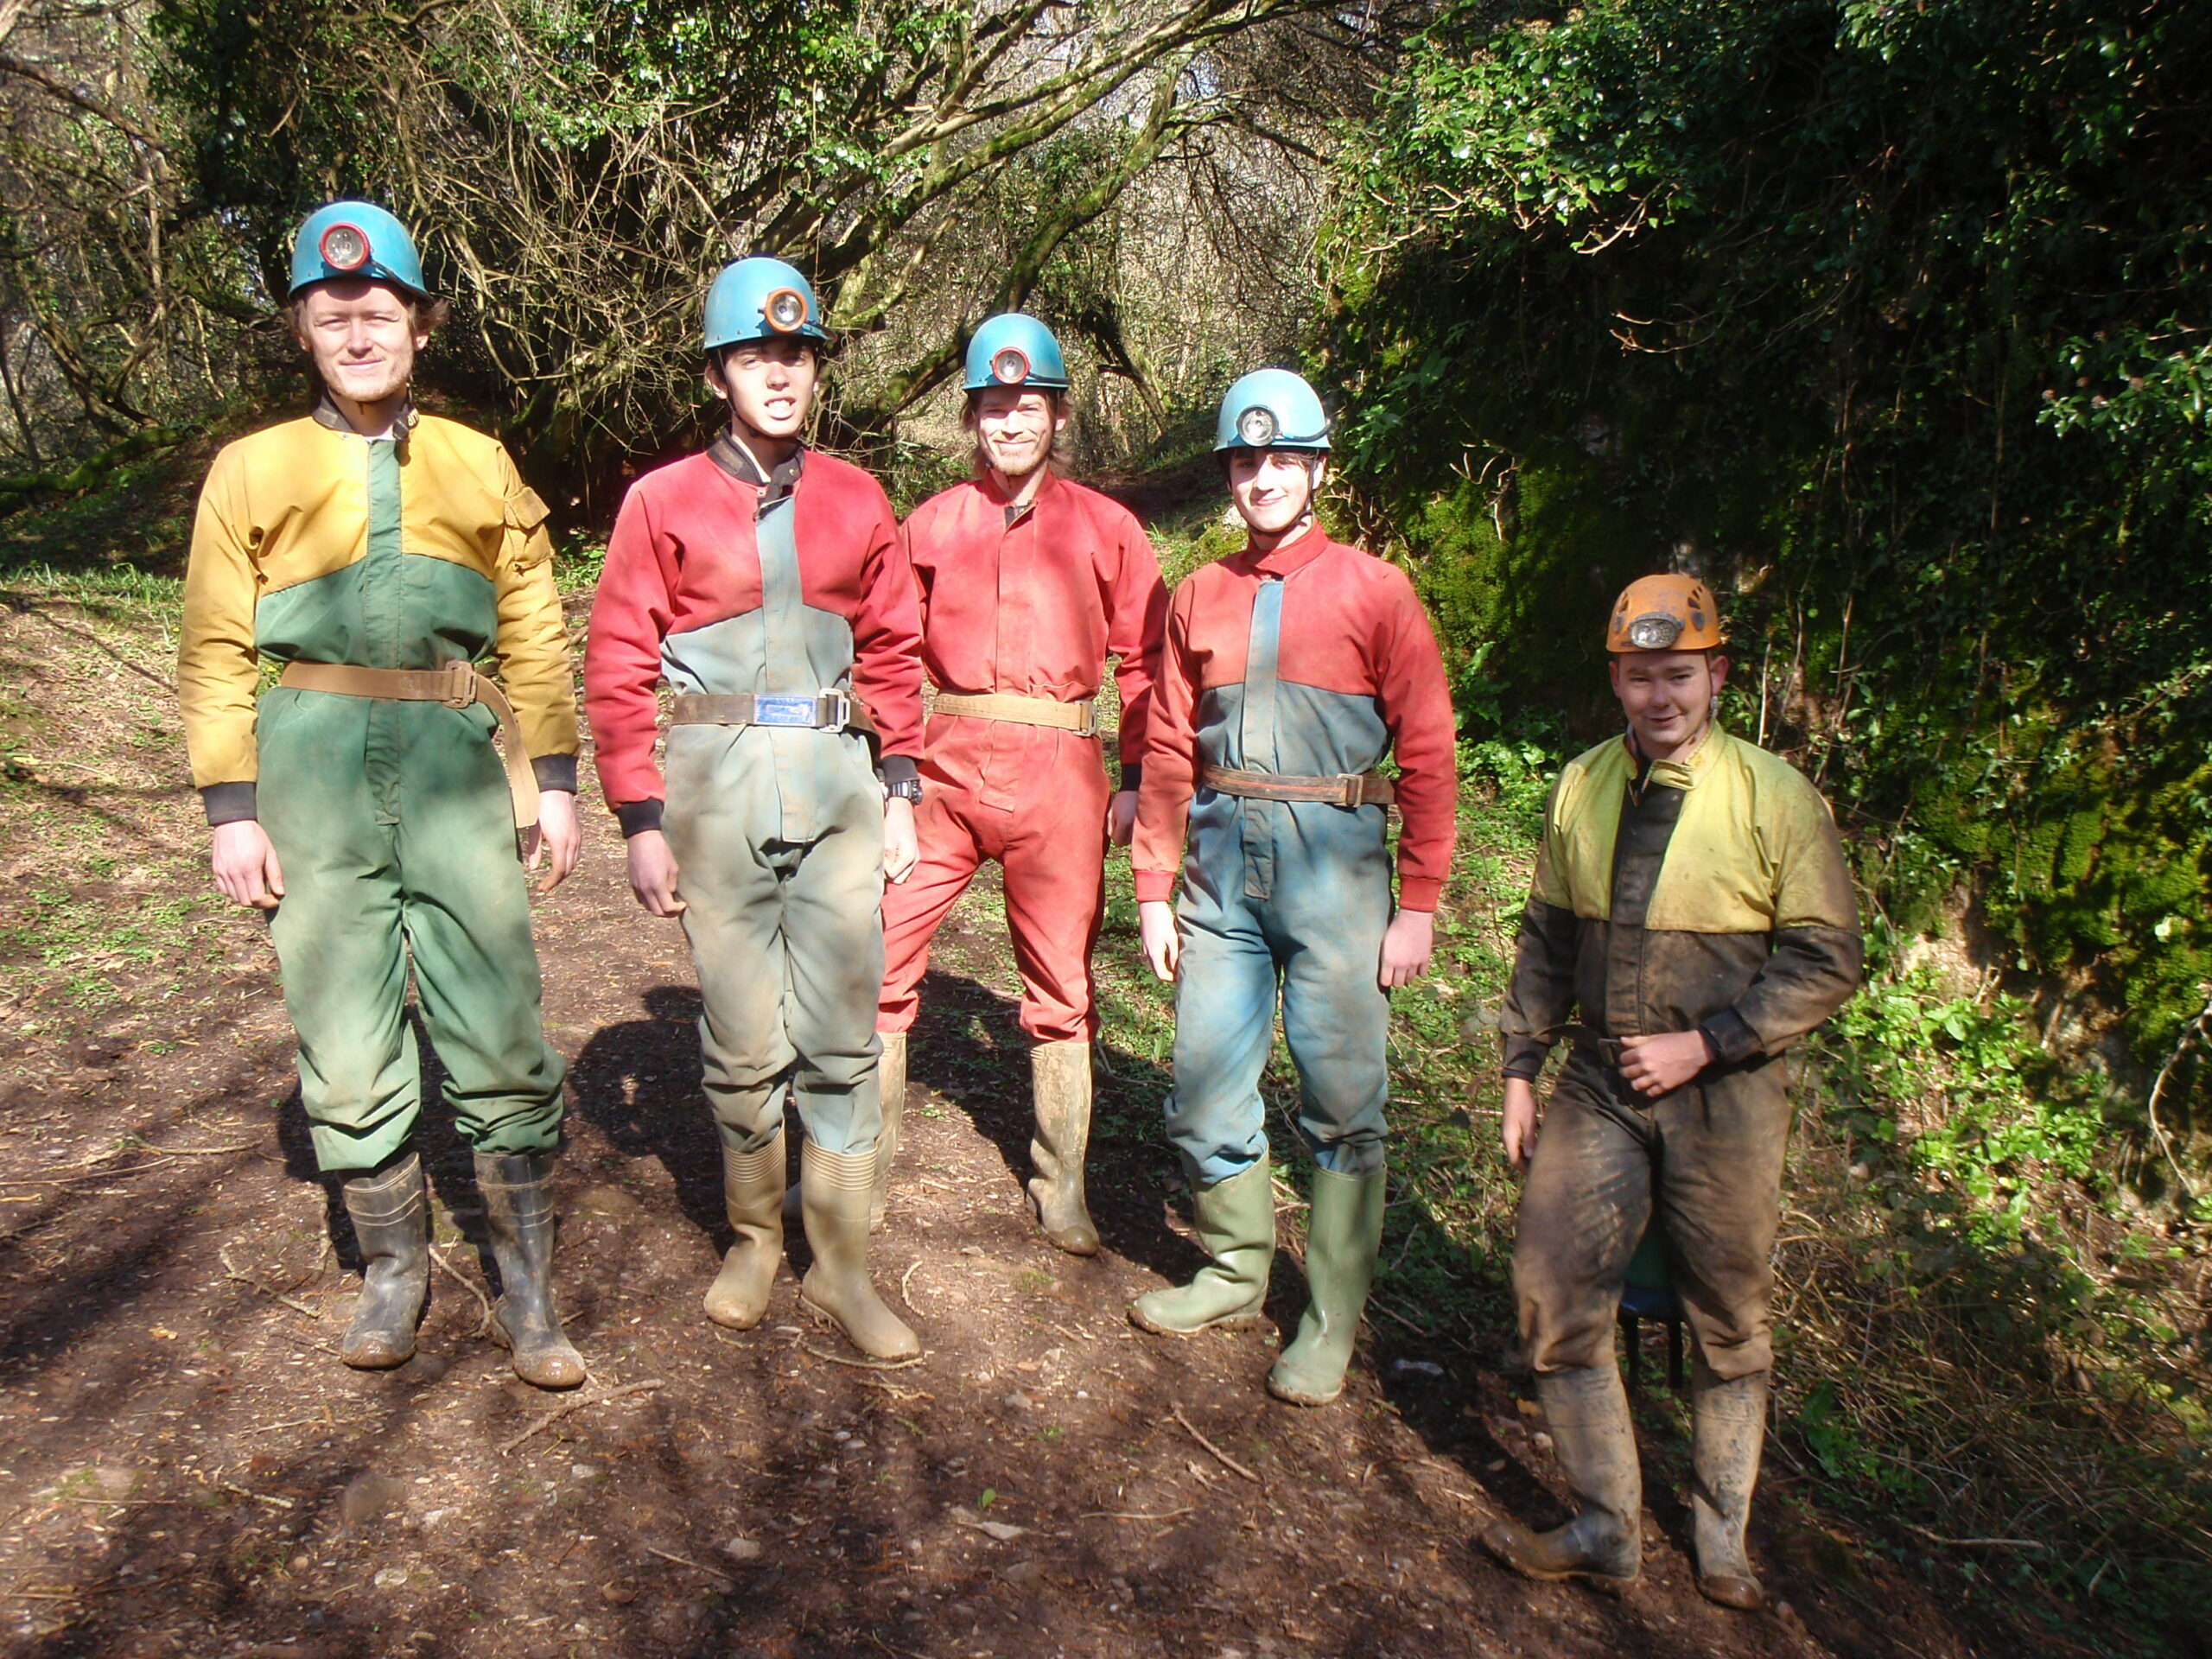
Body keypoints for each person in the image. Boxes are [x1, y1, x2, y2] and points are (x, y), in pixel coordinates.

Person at [177, 201, 586, 1389]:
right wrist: (232, 807)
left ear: (420, 325)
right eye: (333, 316)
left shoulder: (478, 460)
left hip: (457, 754)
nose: (358, 335)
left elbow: (534, 628)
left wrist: (554, 781)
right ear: (303, 330)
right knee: (344, 1028)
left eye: (380, 314)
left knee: (499, 1012)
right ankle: (395, 1273)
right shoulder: (250, 469)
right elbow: (213, 647)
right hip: (309, 765)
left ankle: (528, 1292)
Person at [1484, 574, 1863, 1607]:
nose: (1660, 697)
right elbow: (1546, 941)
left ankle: (1720, 1541)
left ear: (1717, 675)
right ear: (1615, 679)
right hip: (1599, 1083)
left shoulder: (1775, 796)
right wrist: (1519, 1068)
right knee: (1552, 1290)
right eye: (1640, 676)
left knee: (1728, 1319)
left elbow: (1828, 959)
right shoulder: (1581, 783)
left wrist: (1706, 1044)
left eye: (1680, 676)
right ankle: (1606, 1526)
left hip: (1725, 1098)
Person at [582, 255, 924, 1361]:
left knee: (842, 1036)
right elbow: (617, 659)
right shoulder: (662, 500)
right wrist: (639, 819)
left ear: (816, 368)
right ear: (717, 373)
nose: (778, 374)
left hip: (836, 789)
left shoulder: (858, 499)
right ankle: (754, 1241)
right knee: (739, 1043)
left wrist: (902, 784)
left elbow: (894, 649)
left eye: (795, 355)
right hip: (714, 796)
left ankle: (841, 1267)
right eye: (753, 356)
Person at [1127, 369, 1458, 1406]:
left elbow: (1429, 752)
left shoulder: (1377, 590)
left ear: (1316, 468)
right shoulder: (1198, 594)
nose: (1262, 478)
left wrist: (1418, 904)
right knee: (1202, 1083)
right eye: (1244, 460)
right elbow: (1168, 746)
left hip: (1337, 877)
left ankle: (1328, 1320)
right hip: (1221, 874)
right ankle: (1233, 1272)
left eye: (1281, 459)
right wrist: (1152, 884)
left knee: (1343, 1102)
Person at [871, 313, 1166, 1253]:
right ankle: (858, 1175)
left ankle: (1061, 1185)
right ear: (972, 419)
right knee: (878, 957)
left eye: (1028, 406)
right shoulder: (931, 524)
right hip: (944, 767)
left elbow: (1147, 661)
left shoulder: (1107, 528)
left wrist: (1134, 776)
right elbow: (887, 652)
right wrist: (893, 772)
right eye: (994, 407)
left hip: (1062, 776)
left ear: (1059, 416)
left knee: (1061, 983)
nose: (1010, 422)